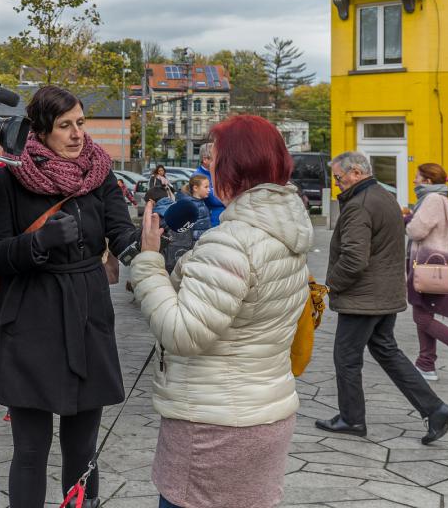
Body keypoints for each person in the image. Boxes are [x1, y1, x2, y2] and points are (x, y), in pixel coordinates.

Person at [131, 115, 314, 508]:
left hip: (214, 423)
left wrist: (148, 263)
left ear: (235, 166)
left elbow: (184, 332)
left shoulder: (231, 243)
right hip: (265, 413)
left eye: (214, 160)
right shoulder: (287, 232)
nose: (208, 169)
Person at [0, 85, 138, 508]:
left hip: (87, 315)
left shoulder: (100, 172)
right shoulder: (10, 177)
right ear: (42, 130)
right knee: (30, 451)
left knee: (83, 451)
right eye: (65, 126)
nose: (77, 134)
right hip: (29, 320)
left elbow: (120, 230)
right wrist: (37, 243)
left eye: (80, 123)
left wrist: (143, 251)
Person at [315, 151, 448, 444]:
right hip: (383, 293)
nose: (338, 182)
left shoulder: (359, 205)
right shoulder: (384, 196)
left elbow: (354, 259)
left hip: (364, 297)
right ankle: (435, 409)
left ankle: (352, 419)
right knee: (387, 352)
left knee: (346, 357)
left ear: (356, 172)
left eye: (339, 177)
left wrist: (333, 283)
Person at [405, 163, 448, 380]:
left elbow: (417, 230)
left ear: (428, 182)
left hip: (429, 266)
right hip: (440, 265)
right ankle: (426, 364)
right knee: (424, 312)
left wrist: (407, 220)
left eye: (417, 177)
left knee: (422, 318)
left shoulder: (432, 200)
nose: (414, 181)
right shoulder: (443, 199)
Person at [195, 142, 226, 226]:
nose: (219, 160)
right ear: (205, 159)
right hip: (210, 223)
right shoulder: (198, 176)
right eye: (216, 157)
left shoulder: (218, 172)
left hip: (221, 220)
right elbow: (215, 200)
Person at [175, 174, 212, 241]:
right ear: (195, 188)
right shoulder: (190, 206)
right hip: (194, 245)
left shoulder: (200, 202)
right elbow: (188, 231)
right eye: (206, 187)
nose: (209, 190)